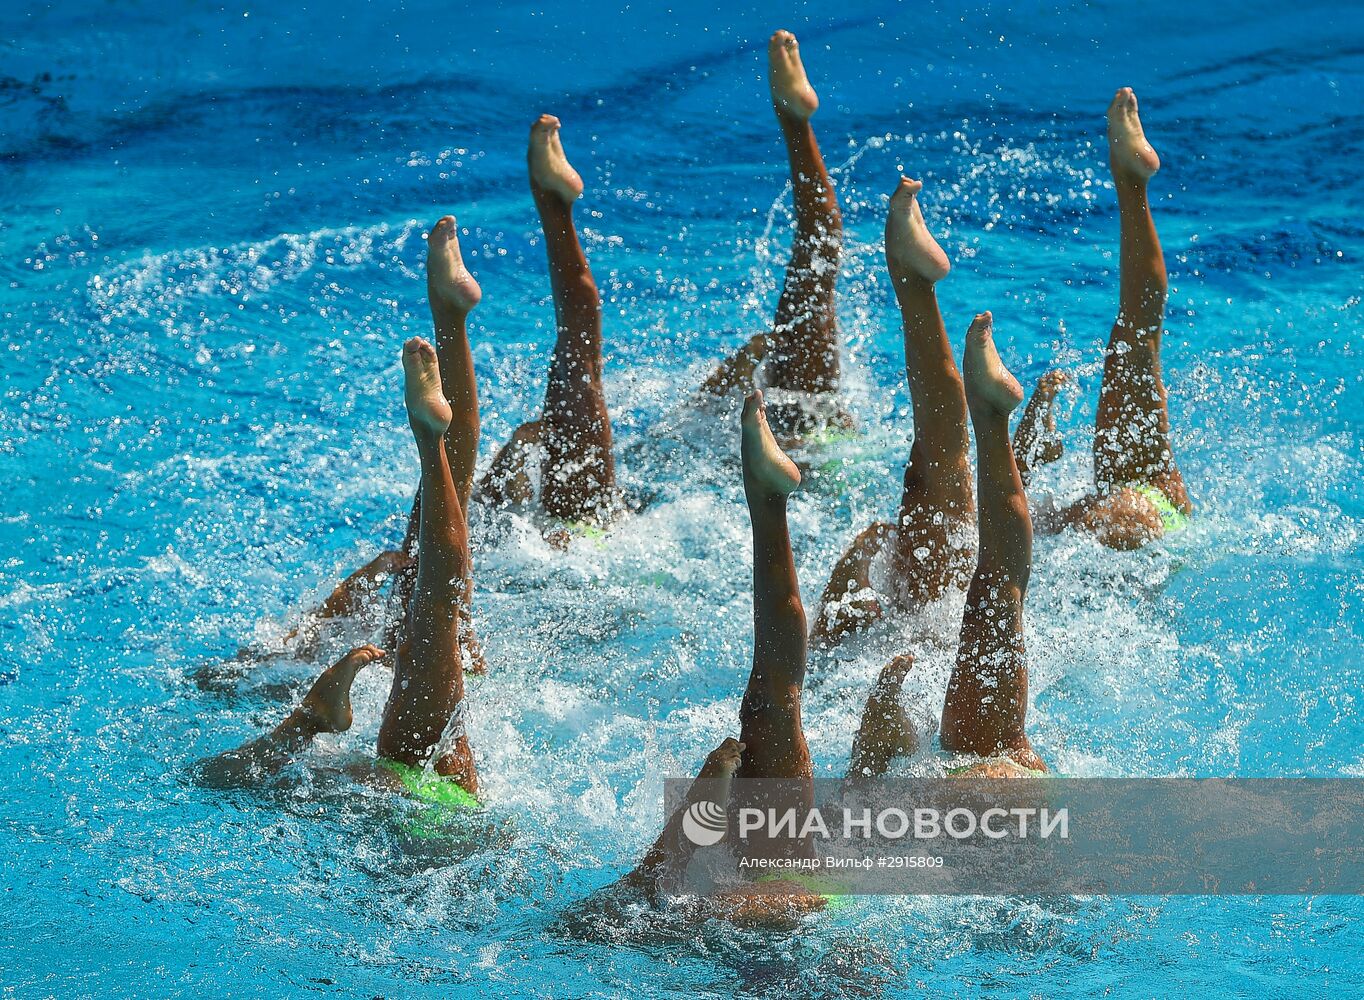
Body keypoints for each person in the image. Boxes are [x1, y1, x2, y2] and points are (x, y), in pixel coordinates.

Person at [198, 336, 482, 805]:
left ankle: (308, 721)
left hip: (441, 803)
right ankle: (307, 720)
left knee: (435, 617)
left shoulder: (354, 776)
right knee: (434, 618)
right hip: (421, 809)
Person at [621, 391, 826, 922]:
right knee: (773, 702)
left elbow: (646, 899)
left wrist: (702, 804)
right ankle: (767, 501)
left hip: (752, 902)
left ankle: (767, 500)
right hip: (788, 903)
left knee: (773, 702)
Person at [848, 312, 1048, 781]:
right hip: (986, 775)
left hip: (984, 782)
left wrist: (871, 760)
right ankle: (992, 419)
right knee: (994, 590)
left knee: (994, 590)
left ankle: (993, 419)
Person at [1043, 88, 1193, 549]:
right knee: (1135, 335)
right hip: (1154, 509)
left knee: (1138, 334)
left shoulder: (1108, 515)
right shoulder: (1118, 503)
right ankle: (1131, 185)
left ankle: (1132, 185)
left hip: (1147, 513)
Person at [701, 31, 850, 441]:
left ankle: (794, 121)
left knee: (818, 259)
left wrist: (748, 359)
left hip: (783, 438)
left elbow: (695, 414)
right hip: (812, 437)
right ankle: (794, 121)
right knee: (818, 261)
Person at [479, 115, 617, 528]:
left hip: (575, 537)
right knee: (579, 365)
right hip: (592, 533)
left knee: (579, 364)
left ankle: (552, 204)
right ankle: (552, 205)